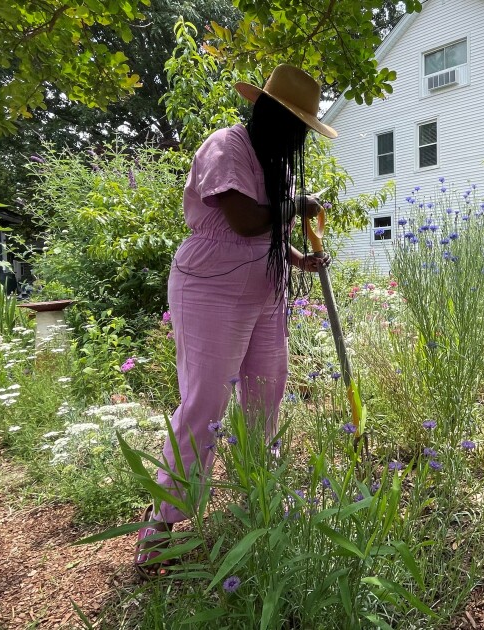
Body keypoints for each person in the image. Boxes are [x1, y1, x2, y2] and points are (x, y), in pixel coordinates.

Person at [134, 64, 336, 576]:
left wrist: (298, 259)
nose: (299, 138)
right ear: (269, 113)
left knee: (267, 393)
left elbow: (268, 231)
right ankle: (160, 522)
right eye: (296, 126)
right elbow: (245, 221)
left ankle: (257, 495)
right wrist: (298, 205)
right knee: (205, 403)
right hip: (211, 288)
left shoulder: (276, 162)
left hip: (265, 291)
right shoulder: (225, 147)